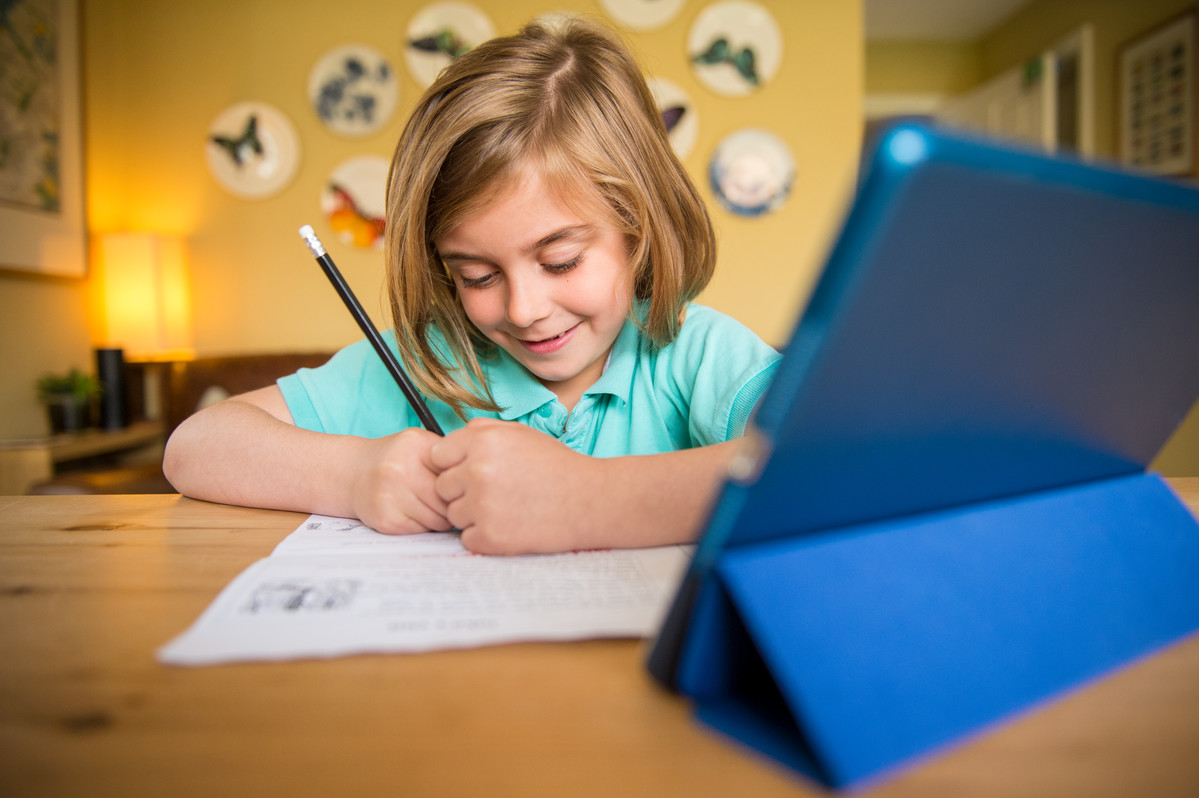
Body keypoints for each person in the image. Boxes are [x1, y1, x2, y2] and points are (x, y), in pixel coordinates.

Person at [164, 18, 780, 555]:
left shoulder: (694, 355)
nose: (524, 309)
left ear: (637, 229)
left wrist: (581, 499)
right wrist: (354, 473)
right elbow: (194, 446)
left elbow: (831, 466)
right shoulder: (430, 362)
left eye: (561, 261)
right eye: (476, 275)